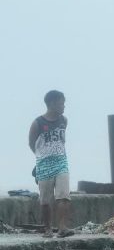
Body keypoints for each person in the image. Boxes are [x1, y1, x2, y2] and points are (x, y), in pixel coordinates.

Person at [28, 90, 73, 237]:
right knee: (45, 200)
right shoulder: (38, 123)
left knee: (63, 195)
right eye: (61, 103)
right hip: (44, 164)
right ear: (52, 103)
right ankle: (48, 229)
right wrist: (40, 156)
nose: (64, 106)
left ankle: (62, 228)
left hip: (61, 161)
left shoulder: (63, 120)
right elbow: (31, 143)